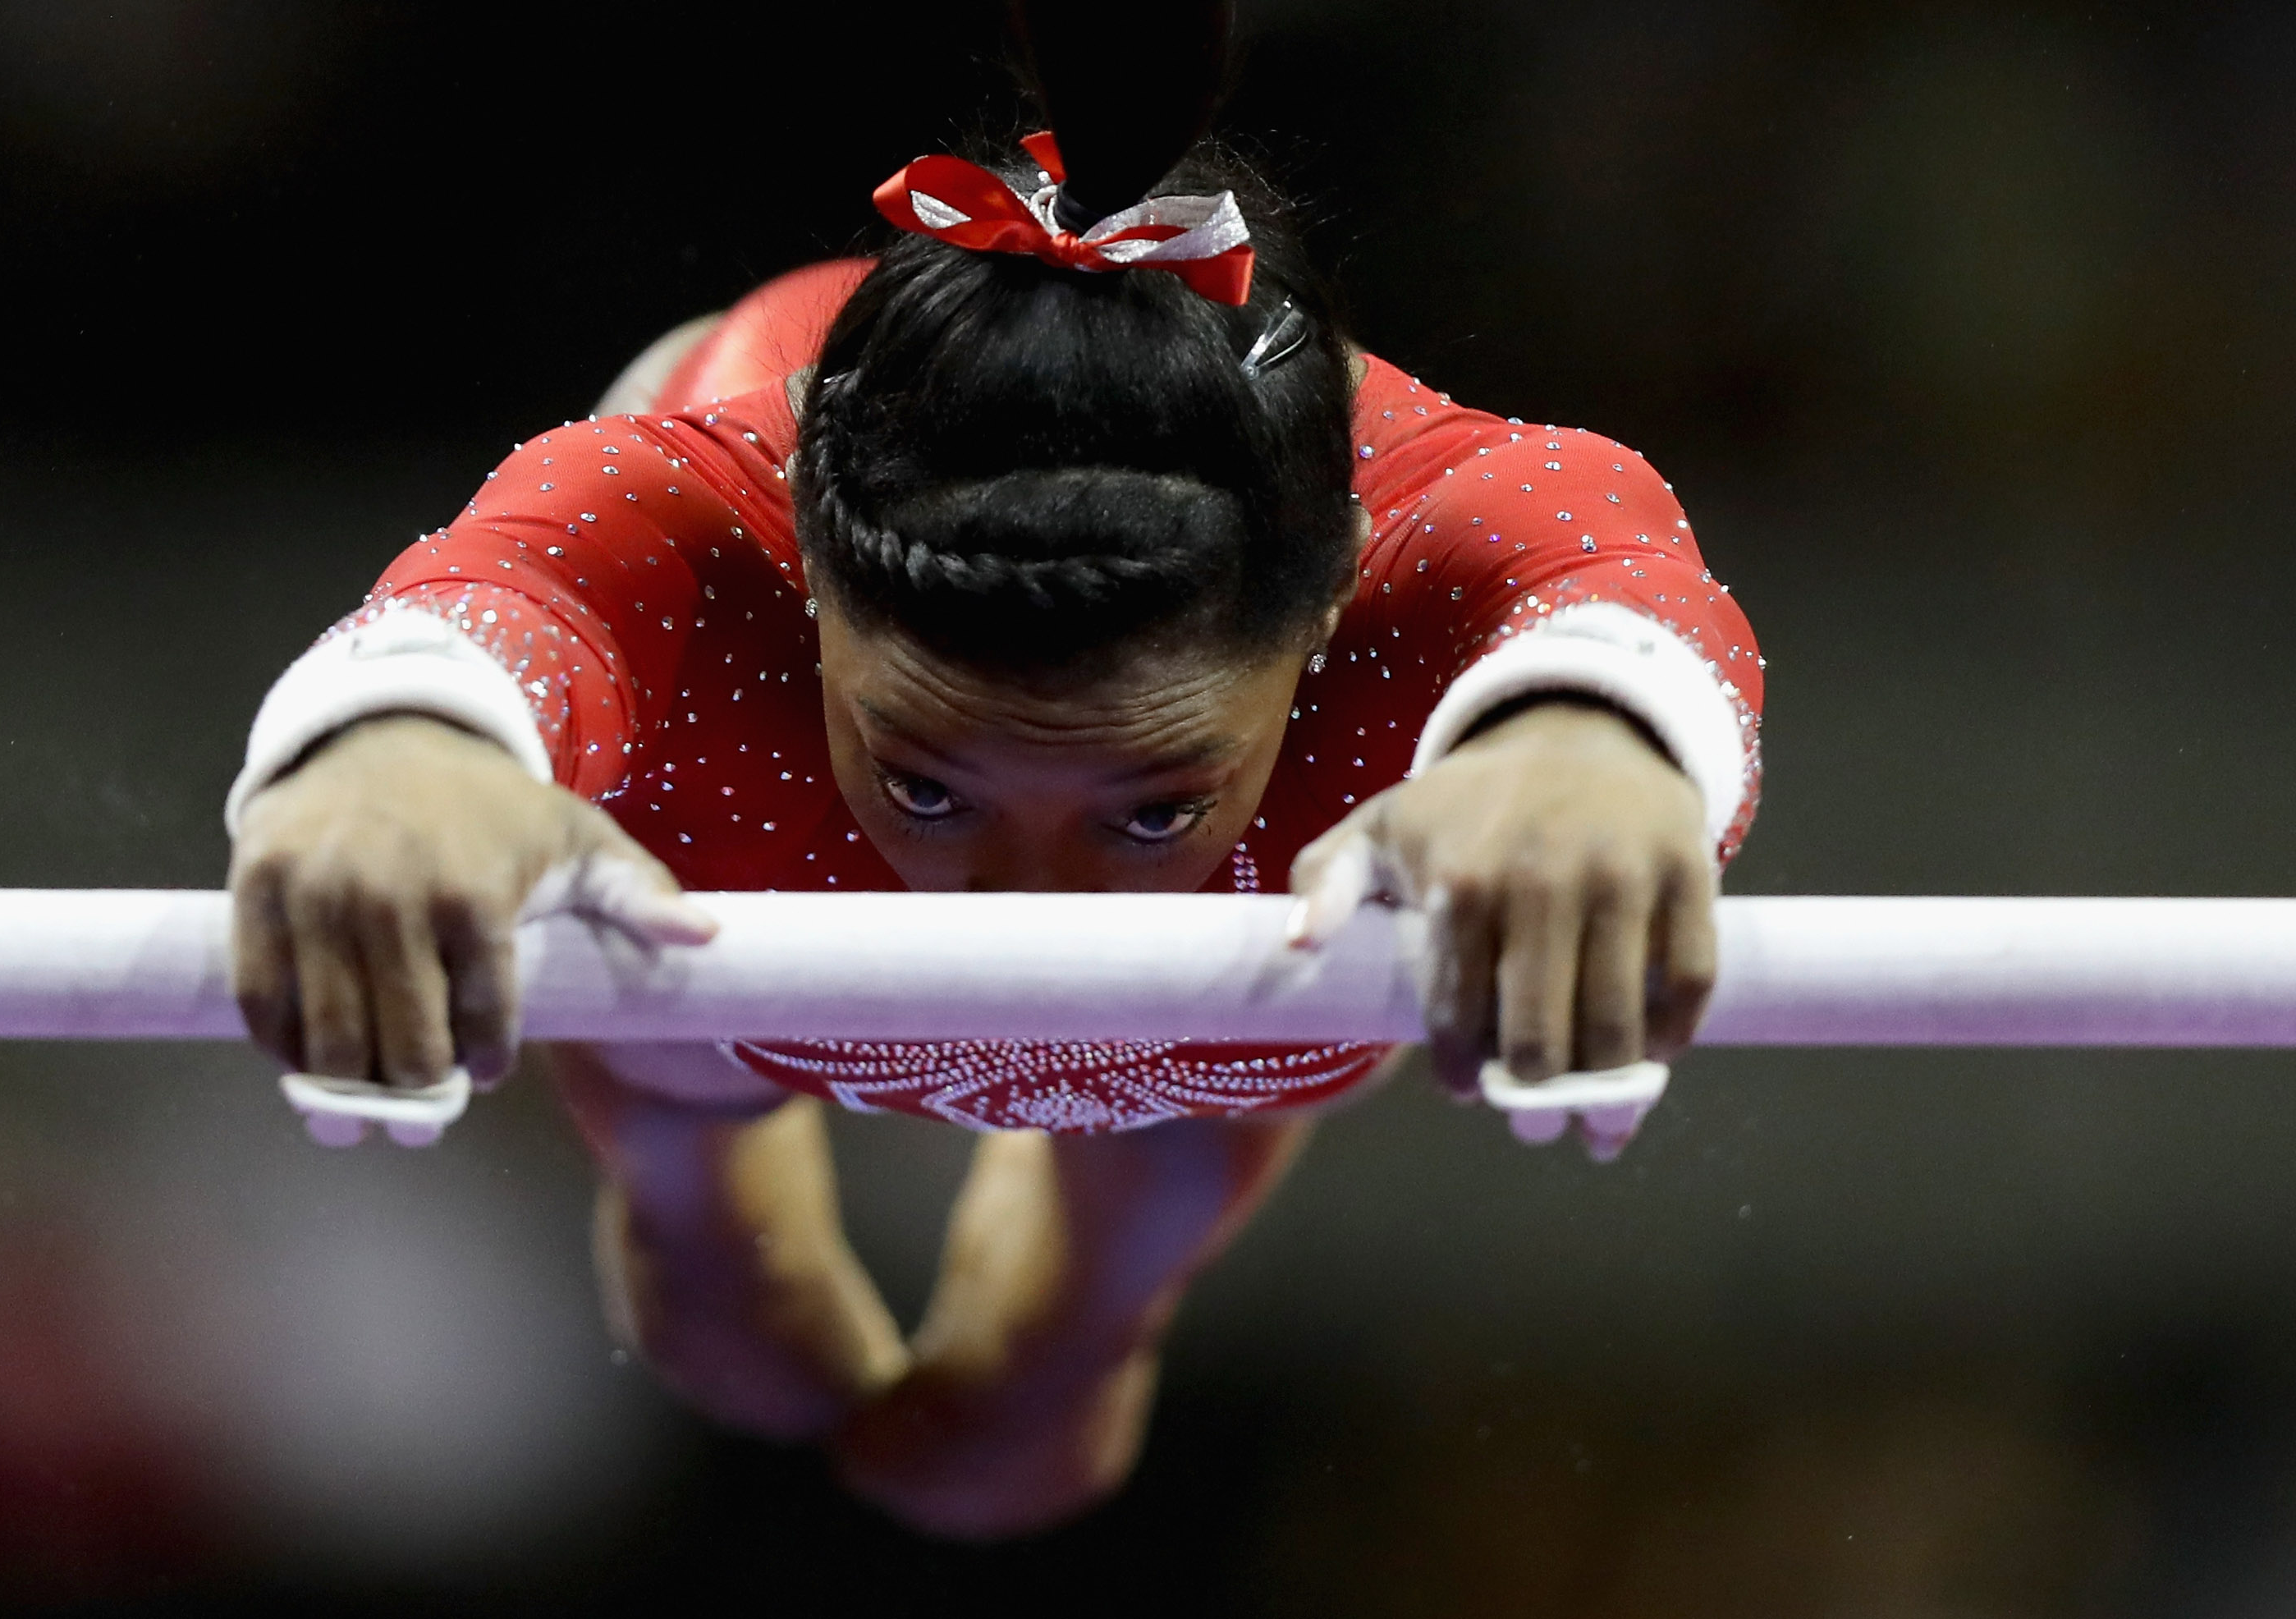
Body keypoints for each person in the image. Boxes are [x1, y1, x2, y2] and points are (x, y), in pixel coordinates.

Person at [222, 2, 1762, 1539]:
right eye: (931, 786)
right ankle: (699, 1160)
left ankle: (1110, 1250)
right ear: (811, 581)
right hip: (751, 830)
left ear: (1335, 602)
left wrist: (1590, 746)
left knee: (1026, 1413)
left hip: (1200, 998)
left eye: (1151, 801)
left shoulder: (1451, 529)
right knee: (740, 1333)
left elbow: (1625, 586)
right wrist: (401, 752)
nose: (1030, 911)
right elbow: (486, 608)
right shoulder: (682, 522)